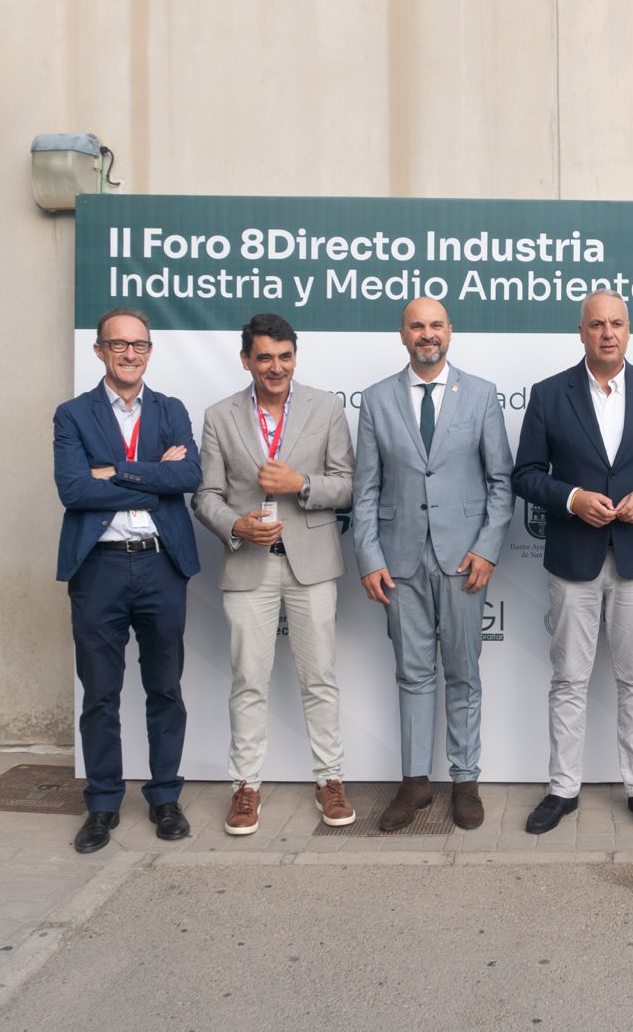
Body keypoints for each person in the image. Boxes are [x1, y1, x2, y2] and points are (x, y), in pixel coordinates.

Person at [512, 289, 633, 836]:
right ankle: (562, 789)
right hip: (574, 556)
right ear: (581, 331)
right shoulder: (547, 394)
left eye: (616, 324)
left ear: (628, 330)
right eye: (596, 324)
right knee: (569, 678)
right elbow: (526, 473)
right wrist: (571, 498)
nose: (607, 333)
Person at [353, 297, 514, 832]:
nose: (428, 334)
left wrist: (488, 547)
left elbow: (500, 482)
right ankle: (415, 782)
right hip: (398, 561)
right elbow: (366, 488)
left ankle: (465, 779)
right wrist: (370, 556)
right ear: (402, 335)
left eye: (436, 325)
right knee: (413, 673)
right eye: (417, 326)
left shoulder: (483, 395)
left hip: (465, 558)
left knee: (464, 673)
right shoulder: (376, 400)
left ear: (451, 332)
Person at [192, 313, 357, 836]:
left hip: (311, 564)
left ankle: (329, 779)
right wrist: (235, 525)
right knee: (248, 681)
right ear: (246, 360)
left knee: (321, 679)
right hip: (247, 563)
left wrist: (300, 482)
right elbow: (205, 496)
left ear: (294, 357)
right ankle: (245, 787)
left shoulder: (326, 407)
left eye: (285, 356)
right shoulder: (219, 416)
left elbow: (348, 485)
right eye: (264, 357)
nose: (276, 367)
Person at [53, 307, 200, 853]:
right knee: (100, 693)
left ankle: (165, 797)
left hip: (161, 564)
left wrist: (113, 471)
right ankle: (103, 805)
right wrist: (152, 477)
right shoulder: (72, 415)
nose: (130, 353)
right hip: (100, 567)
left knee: (165, 687)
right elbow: (74, 491)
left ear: (149, 350)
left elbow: (188, 476)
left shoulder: (171, 409)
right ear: (99, 351)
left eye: (139, 344)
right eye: (118, 345)